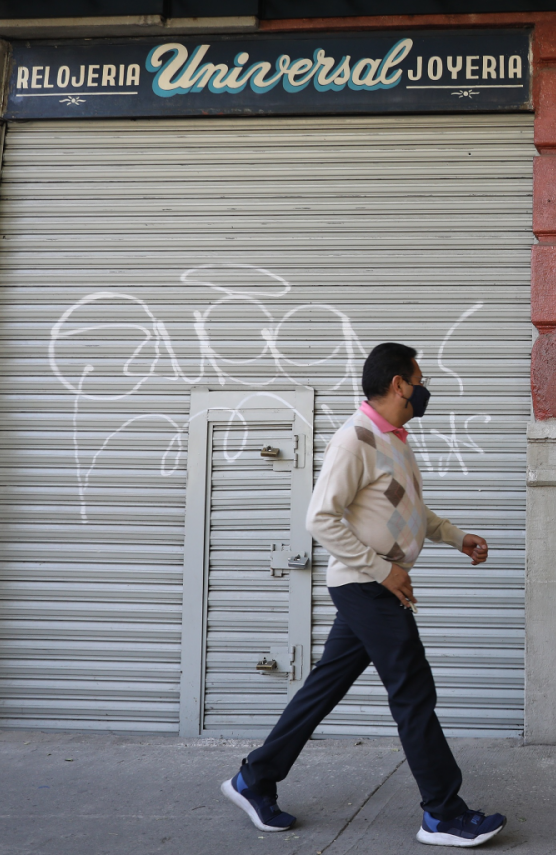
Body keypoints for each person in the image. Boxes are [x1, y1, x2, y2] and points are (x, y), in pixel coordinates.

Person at [221, 342, 507, 848]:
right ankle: (442, 813)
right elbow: (319, 519)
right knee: (414, 693)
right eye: (418, 379)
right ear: (398, 383)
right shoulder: (355, 440)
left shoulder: (394, 438)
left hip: (373, 585)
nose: (423, 389)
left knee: (324, 687)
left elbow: (410, 512)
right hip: (366, 587)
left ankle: (254, 778)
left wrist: (456, 537)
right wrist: (381, 571)